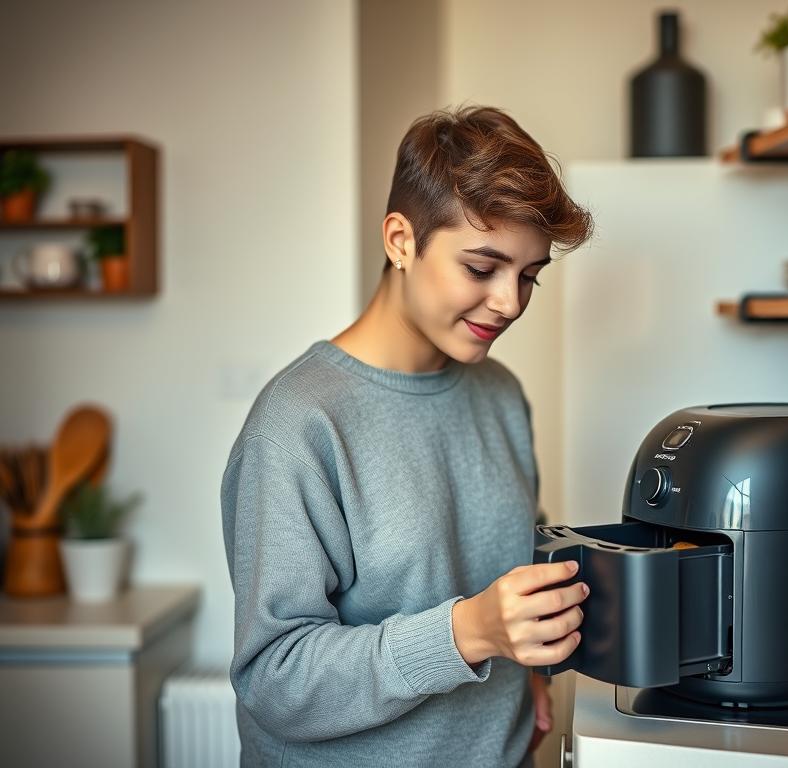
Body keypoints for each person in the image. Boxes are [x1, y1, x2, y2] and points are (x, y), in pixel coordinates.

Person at [221, 105, 594, 767]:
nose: (510, 302)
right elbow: (274, 680)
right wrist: (466, 633)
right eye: (483, 268)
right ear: (400, 240)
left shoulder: (500, 394)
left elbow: (514, 553)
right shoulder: (297, 425)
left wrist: (531, 666)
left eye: (529, 275)